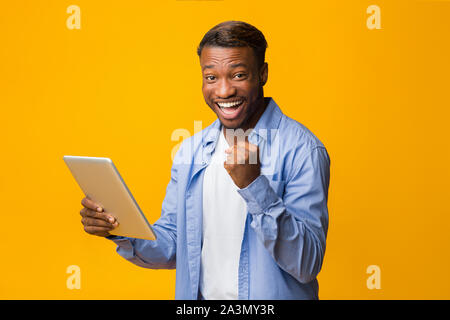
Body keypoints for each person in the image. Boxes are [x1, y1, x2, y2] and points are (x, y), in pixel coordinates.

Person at [79, 21, 331, 300]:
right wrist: (119, 227)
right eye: (211, 77)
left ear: (262, 74)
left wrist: (255, 186)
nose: (223, 92)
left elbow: (307, 264)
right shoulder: (191, 151)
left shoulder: (303, 150)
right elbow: (174, 243)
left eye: (238, 75)